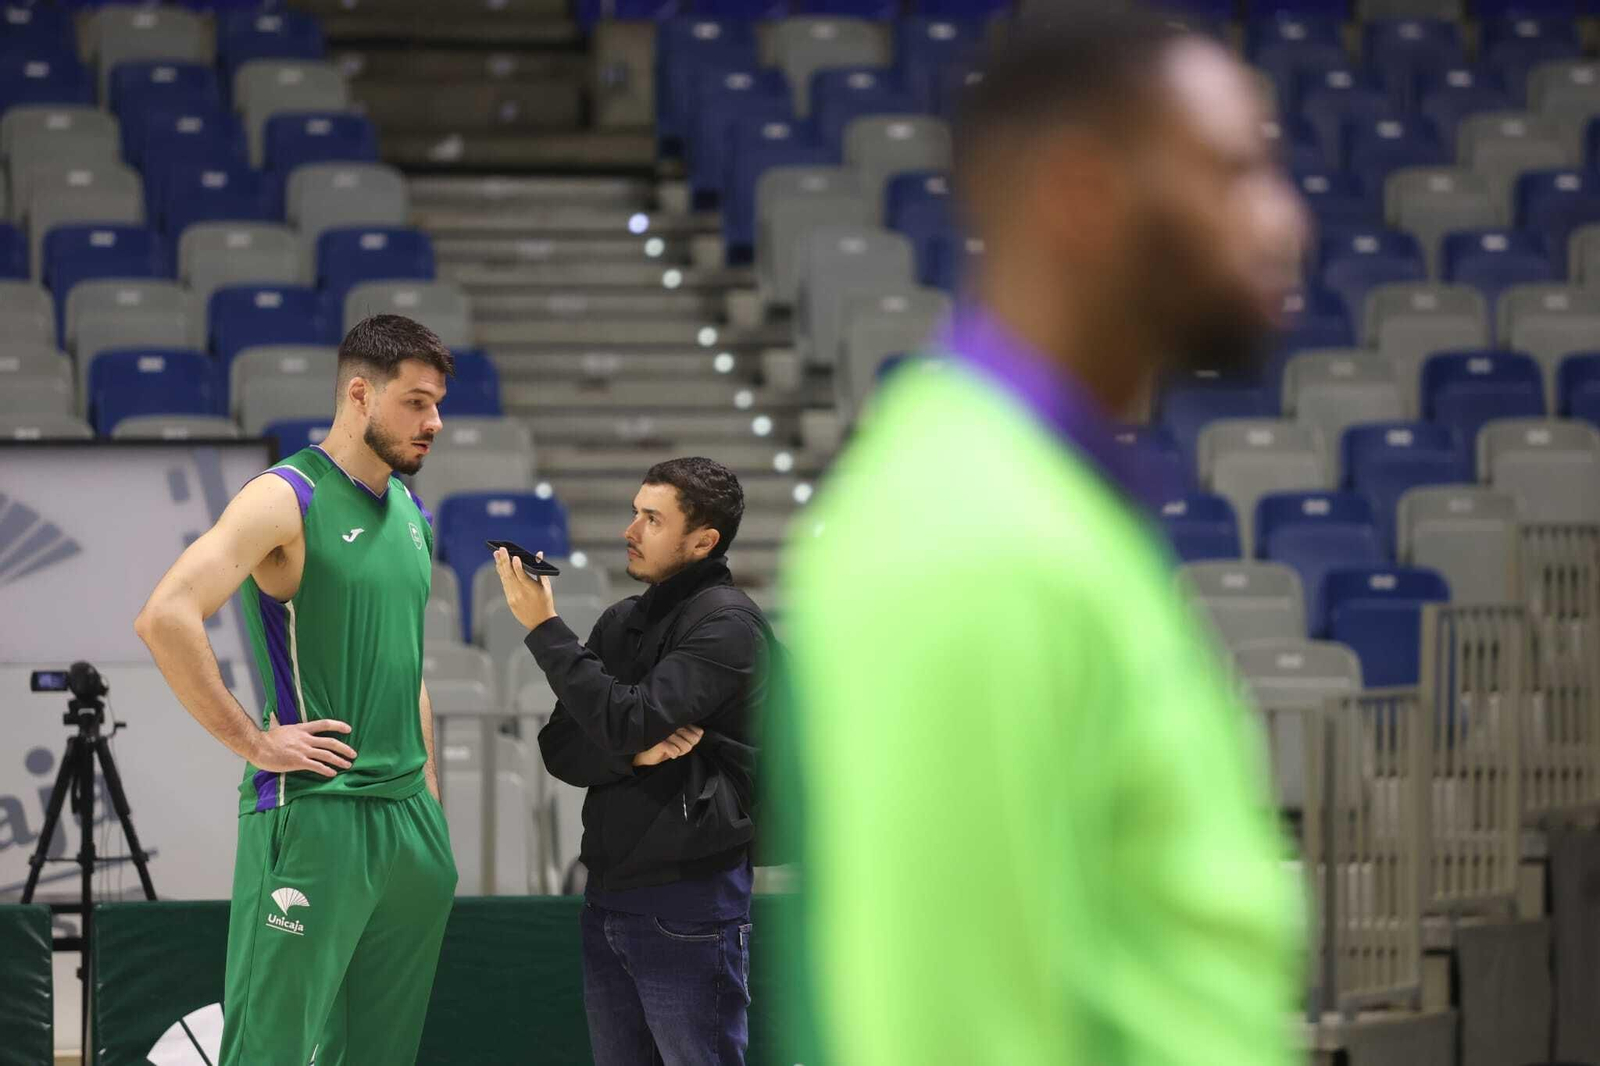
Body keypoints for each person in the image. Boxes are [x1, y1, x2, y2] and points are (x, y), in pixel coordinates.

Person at [775, 7, 1310, 1065]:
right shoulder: (966, 541)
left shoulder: (1044, 499)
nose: (1281, 220)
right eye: (1230, 170)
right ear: (1082, 195)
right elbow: (950, 1040)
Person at [134, 314, 459, 1066]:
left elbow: (406, 669)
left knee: (381, 1052)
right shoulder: (286, 497)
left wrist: (430, 797)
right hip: (318, 815)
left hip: (409, 825)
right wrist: (253, 741)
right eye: (416, 402)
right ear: (358, 395)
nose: (434, 422)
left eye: (439, 403)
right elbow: (165, 616)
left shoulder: (413, 512)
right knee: (271, 1048)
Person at [491, 456, 768, 1066]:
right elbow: (560, 745)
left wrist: (545, 629)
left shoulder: (728, 626)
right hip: (609, 899)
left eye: (652, 518)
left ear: (703, 541)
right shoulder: (622, 622)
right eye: (633, 513)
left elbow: (623, 717)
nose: (629, 530)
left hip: (692, 904)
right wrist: (636, 753)